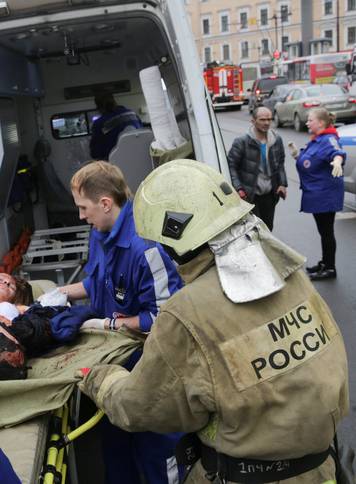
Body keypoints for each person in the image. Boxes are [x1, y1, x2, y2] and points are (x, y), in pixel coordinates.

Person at [77, 159, 349, 484]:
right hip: (323, 469)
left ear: (172, 235)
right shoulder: (290, 274)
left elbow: (140, 407)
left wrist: (97, 377)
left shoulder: (186, 312)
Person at [61, 161, 183, 484]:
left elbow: (165, 319)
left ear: (105, 203)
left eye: (83, 208)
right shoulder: (100, 234)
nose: (81, 216)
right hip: (113, 367)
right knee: (115, 450)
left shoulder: (146, 248)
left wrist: (112, 325)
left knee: (154, 452)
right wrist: (60, 294)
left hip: (151, 372)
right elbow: (95, 283)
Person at [288, 108, 345, 281]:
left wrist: (337, 162)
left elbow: (337, 152)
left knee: (327, 232)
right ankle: (324, 262)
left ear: (320, 123)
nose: (307, 122)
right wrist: (297, 155)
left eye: (310, 120)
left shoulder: (329, 139)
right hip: (316, 193)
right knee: (323, 232)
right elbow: (311, 162)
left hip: (325, 195)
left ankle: (330, 268)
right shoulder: (317, 140)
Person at [227, 106, 287, 231]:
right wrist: (239, 189)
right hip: (250, 194)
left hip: (271, 194)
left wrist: (282, 183)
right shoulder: (241, 142)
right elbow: (231, 166)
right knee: (256, 230)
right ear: (253, 121)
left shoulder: (276, 140)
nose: (266, 123)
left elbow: (280, 163)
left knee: (268, 228)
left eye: (269, 119)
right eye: (262, 119)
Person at [90, 92, 143, 160]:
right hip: (140, 156)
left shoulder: (100, 124)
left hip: (117, 162)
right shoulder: (132, 114)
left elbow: (95, 153)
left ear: (98, 107)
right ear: (114, 101)